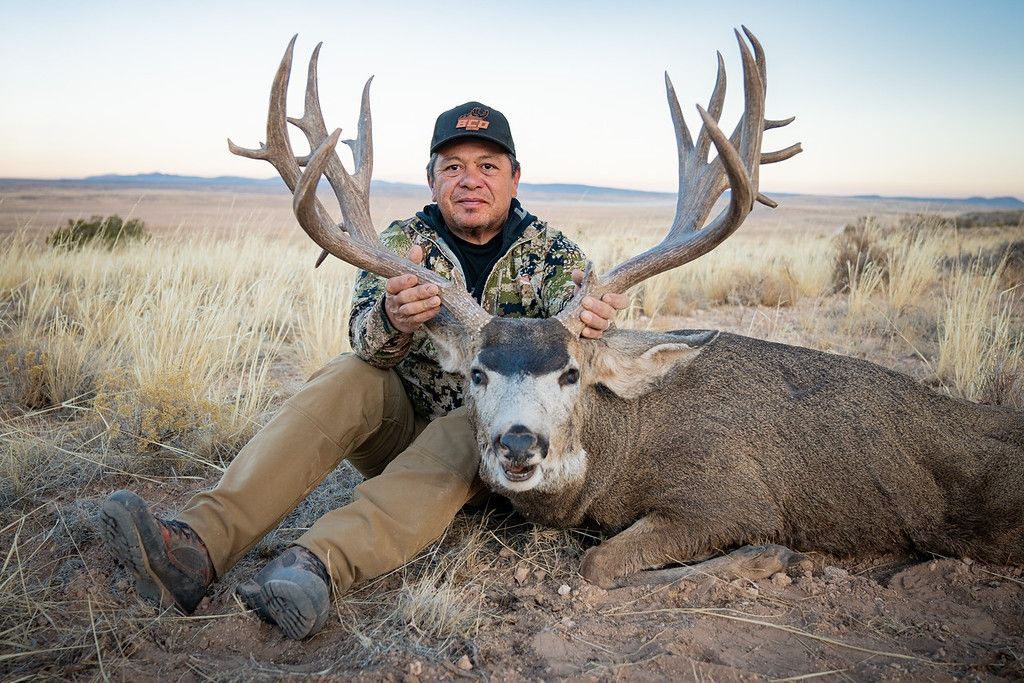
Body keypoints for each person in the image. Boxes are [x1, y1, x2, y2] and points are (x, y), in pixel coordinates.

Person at [100, 101, 628, 640]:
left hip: (503, 460)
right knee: (349, 375)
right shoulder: (401, 246)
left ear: (515, 178)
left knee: (471, 422)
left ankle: (316, 566)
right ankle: (195, 547)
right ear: (431, 180)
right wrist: (391, 318)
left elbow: (580, 360)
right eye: (453, 167)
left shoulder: (556, 258)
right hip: (401, 439)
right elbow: (366, 344)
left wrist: (596, 324)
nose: (470, 180)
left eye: (488, 166)